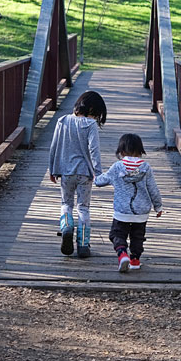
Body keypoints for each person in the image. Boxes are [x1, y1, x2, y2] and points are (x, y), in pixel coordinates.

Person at [48, 90, 107, 258]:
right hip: (84, 174)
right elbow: (94, 150)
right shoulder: (90, 125)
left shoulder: (62, 120)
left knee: (66, 204)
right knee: (83, 207)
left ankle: (66, 226)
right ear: (91, 110)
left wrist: (52, 168)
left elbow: (53, 146)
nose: (96, 118)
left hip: (66, 172)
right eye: (96, 114)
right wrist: (98, 173)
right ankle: (82, 245)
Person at [94, 133, 163, 273]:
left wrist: (95, 178)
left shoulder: (117, 167)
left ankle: (122, 254)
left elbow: (101, 181)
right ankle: (135, 260)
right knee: (138, 237)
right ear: (140, 151)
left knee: (116, 235)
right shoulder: (146, 167)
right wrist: (158, 206)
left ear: (121, 151)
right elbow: (153, 189)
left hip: (122, 211)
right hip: (141, 212)